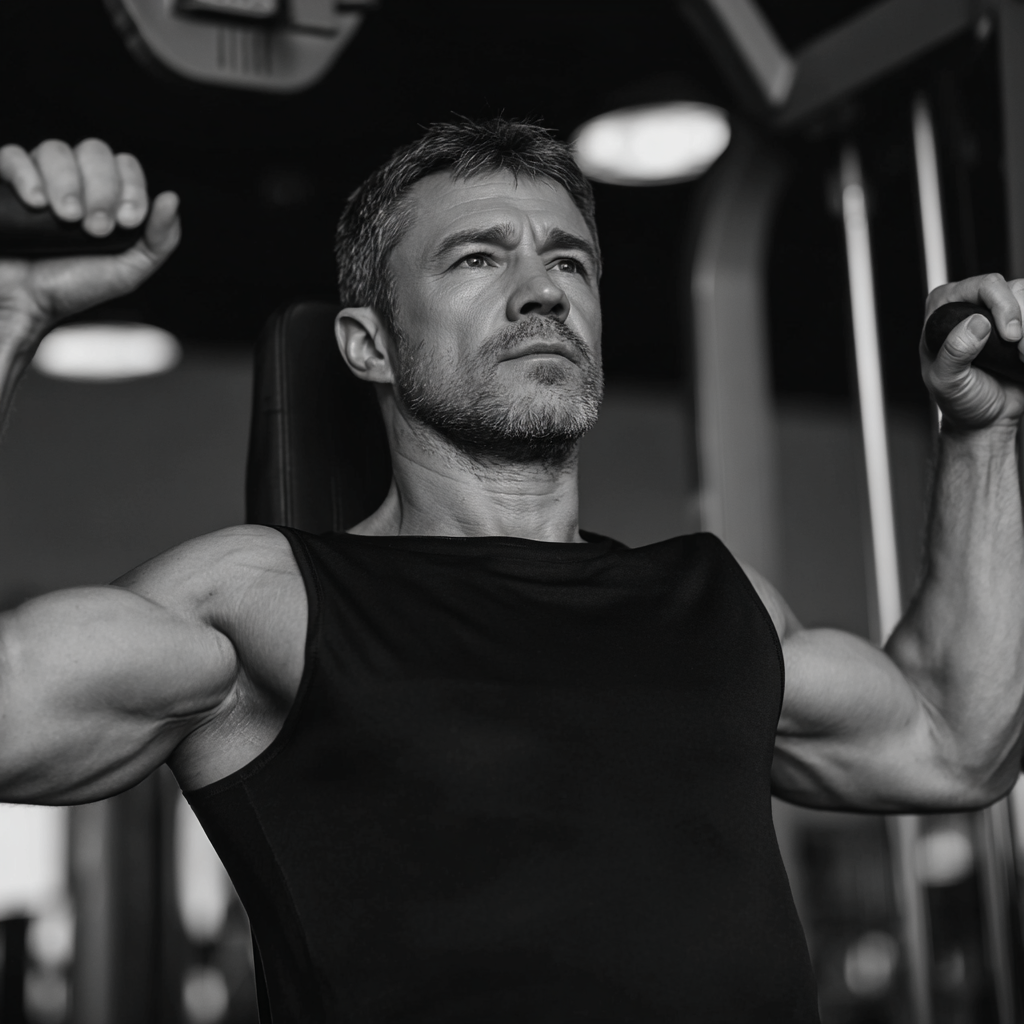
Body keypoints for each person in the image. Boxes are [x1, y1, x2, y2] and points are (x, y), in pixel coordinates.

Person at [0, 118, 1022, 1023]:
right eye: (478, 258)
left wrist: (984, 431)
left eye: (569, 262)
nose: (543, 291)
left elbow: (954, 742)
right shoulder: (270, 602)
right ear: (368, 345)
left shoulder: (715, 603)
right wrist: (8, 313)